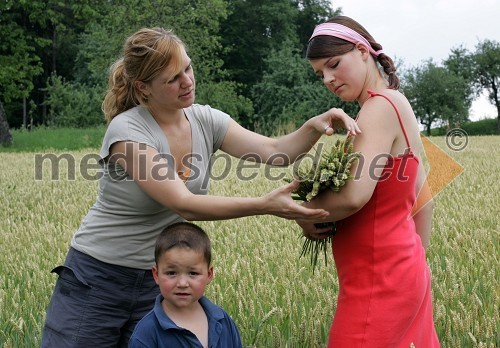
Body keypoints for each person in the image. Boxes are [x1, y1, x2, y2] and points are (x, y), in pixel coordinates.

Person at [41, 27, 360, 347]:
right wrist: (266, 204)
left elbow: (275, 151)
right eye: (173, 78)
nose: (188, 81)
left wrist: (315, 125)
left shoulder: (206, 120)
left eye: (188, 68)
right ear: (143, 87)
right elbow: (184, 203)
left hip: (160, 280)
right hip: (97, 279)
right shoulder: (128, 131)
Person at [295, 16, 440, 347]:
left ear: (362, 50)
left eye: (334, 64)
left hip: (379, 279)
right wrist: (414, 263)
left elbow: (352, 196)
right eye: (320, 74)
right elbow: (425, 197)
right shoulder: (394, 102)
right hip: (396, 272)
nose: (328, 79)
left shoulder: (378, 108)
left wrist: (302, 210)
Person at [128, 222, 241, 347]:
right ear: (156, 275)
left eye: (193, 273)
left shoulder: (223, 320)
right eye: (171, 273)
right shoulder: (146, 333)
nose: (182, 283)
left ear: (209, 275)